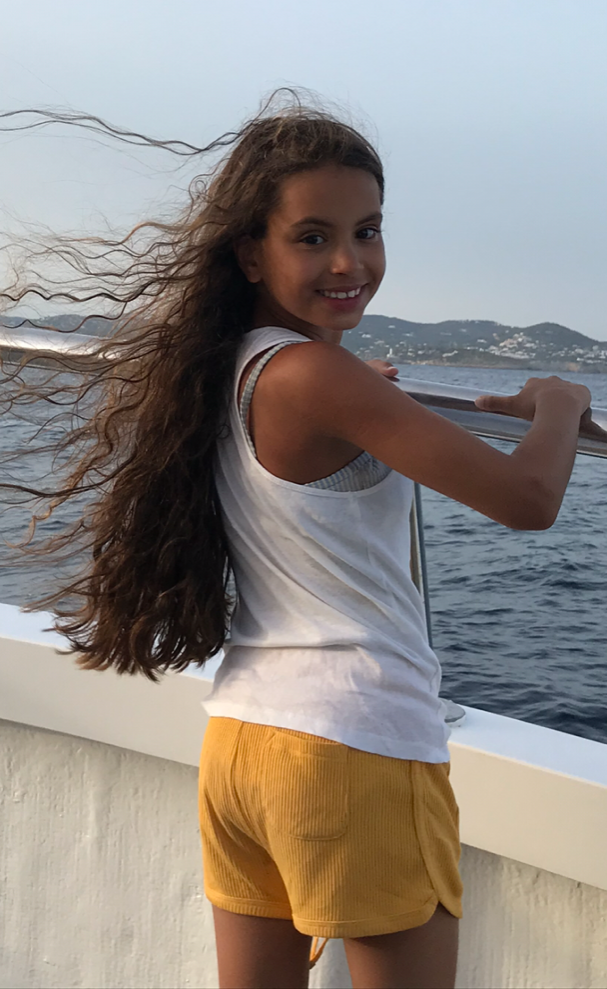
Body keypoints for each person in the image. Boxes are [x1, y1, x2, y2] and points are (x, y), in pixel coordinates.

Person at [1, 100, 591, 989]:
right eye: (312, 237)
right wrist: (560, 403)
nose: (349, 261)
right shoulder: (317, 377)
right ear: (251, 252)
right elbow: (527, 499)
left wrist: (358, 381)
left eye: (367, 231)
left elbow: (317, 425)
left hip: (245, 743)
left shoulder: (235, 364)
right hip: (354, 743)